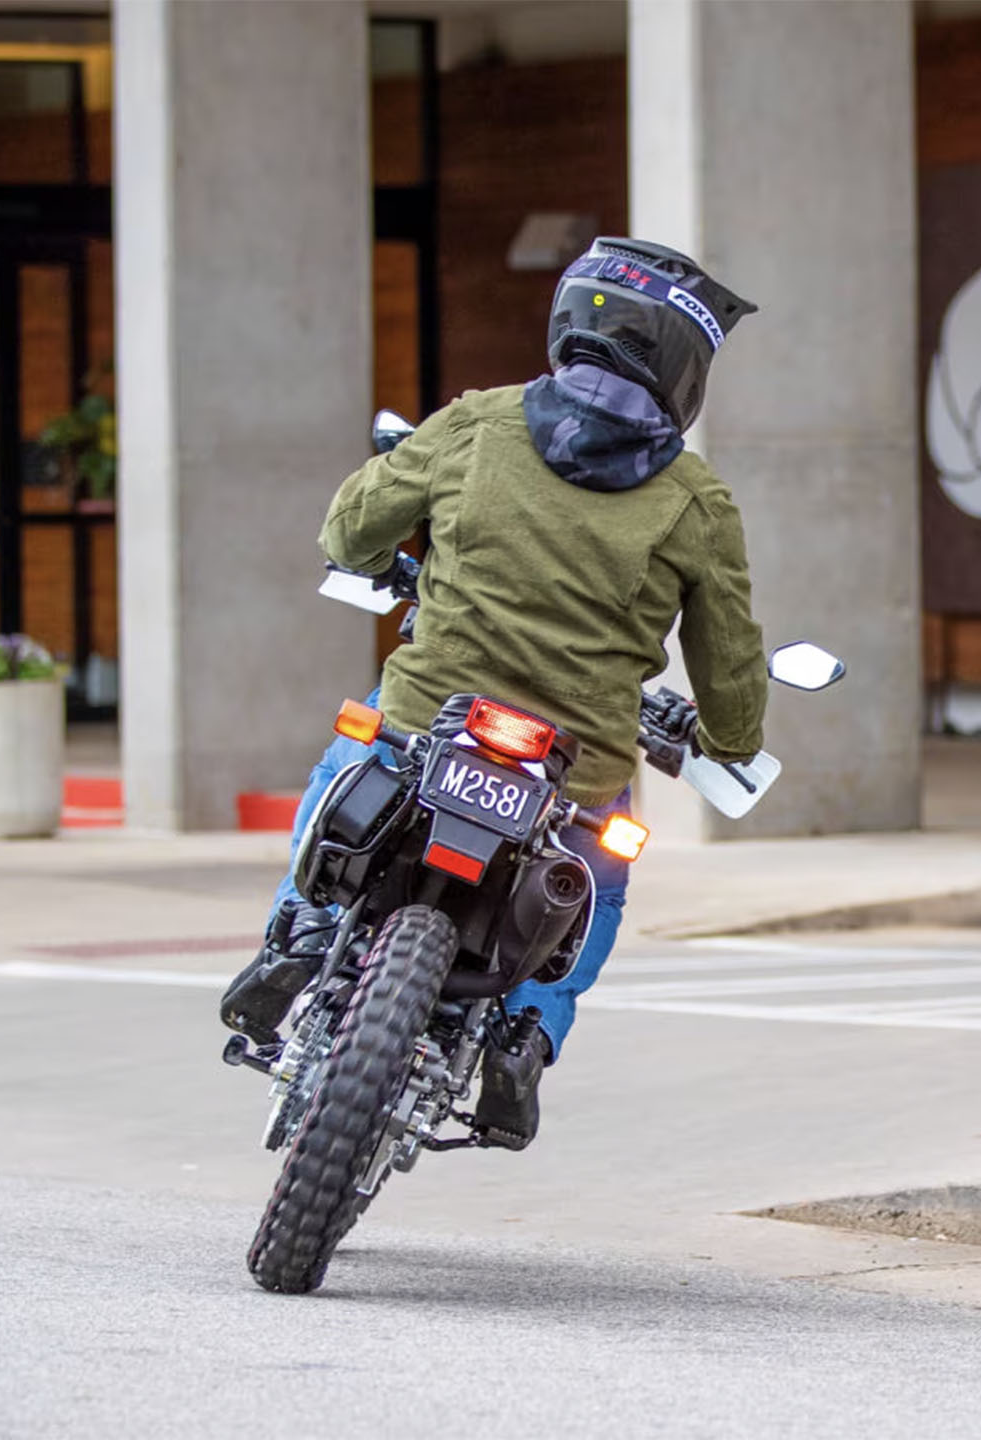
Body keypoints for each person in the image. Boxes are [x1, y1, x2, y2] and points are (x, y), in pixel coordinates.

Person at [222, 236, 768, 1149]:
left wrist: (382, 557)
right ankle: (525, 1037)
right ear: (684, 367)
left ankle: (301, 934)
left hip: (424, 723)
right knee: (598, 880)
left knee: (349, 764)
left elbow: (351, 528)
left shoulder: (478, 423)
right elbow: (730, 669)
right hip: (574, 769)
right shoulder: (696, 502)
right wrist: (733, 740)